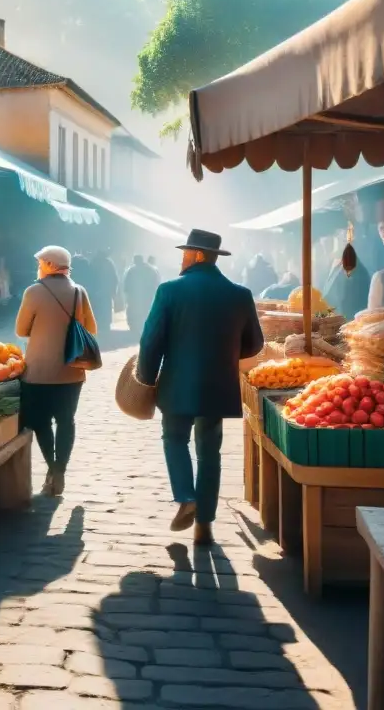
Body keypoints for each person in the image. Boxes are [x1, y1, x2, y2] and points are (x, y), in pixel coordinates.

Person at [137, 230, 263, 542]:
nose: (181, 259)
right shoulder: (240, 294)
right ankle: (204, 525)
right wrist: (226, 354)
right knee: (210, 452)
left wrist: (146, 376)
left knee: (174, 439)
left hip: (177, 383)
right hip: (218, 383)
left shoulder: (169, 290)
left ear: (196, 255)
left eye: (185, 253)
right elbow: (255, 344)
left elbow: (151, 340)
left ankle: (186, 497)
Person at [16, 245, 97, 496]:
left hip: (38, 371)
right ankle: (60, 469)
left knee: (40, 422)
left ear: (50, 265)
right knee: (66, 420)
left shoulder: (33, 292)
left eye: (40, 263)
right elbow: (90, 328)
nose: (38, 268)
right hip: (71, 372)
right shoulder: (79, 292)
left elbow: (21, 330)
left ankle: (51, 467)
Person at [122, 255, 161, 335]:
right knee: (146, 311)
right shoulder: (150, 269)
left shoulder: (132, 270)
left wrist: (127, 293)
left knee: (133, 311)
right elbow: (156, 282)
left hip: (135, 296)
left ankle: (134, 328)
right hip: (147, 295)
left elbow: (127, 283)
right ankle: (145, 327)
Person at [85, 249, 118, 333]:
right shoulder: (109, 263)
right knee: (106, 308)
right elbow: (114, 278)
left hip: (96, 291)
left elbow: (89, 276)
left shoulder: (93, 262)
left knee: (97, 308)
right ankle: (105, 324)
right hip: (105, 291)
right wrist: (113, 290)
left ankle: (98, 324)